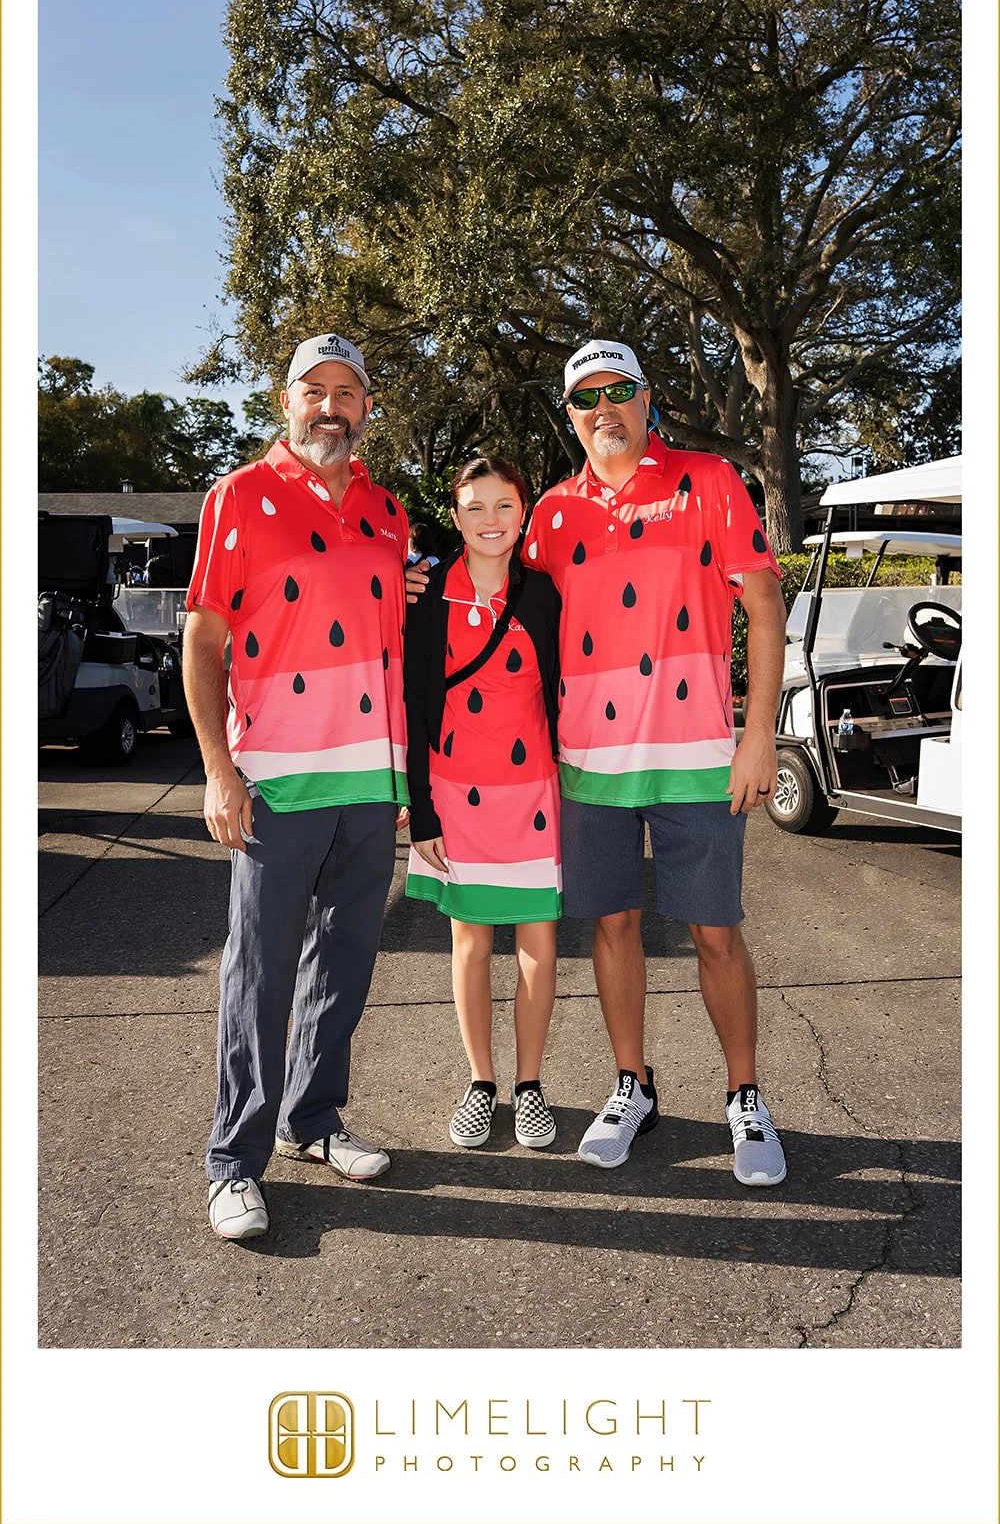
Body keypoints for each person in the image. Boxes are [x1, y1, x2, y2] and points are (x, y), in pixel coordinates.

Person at [407, 339, 788, 1186]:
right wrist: (419, 581)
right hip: (585, 766)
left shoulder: (709, 480)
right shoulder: (550, 511)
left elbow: (764, 602)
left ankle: (745, 1096)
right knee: (611, 926)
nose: (603, 407)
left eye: (619, 390)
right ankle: (632, 1084)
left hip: (699, 758)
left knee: (716, 934)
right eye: (585, 396)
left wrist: (758, 732)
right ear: (570, 414)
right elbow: (497, 583)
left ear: (648, 399)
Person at [183, 332, 410, 1241]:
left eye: (346, 392)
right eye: (314, 390)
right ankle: (233, 1163)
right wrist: (218, 771)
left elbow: (393, 639)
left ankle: (312, 1121)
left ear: (366, 408)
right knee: (260, 972)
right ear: (286, 403)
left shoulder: (389, 512)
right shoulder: (238, 496)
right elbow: (203, 641)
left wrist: (402, 775)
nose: (330, 407)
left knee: (343, 966)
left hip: (368, 783)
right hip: (275, 781)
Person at [404, 458, 562, 1150]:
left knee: (538, 947)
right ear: (456, 515)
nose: (490, 520)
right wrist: (421, 809)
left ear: (523, 512)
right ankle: (480, 1082)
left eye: (504, 505)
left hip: (533, 793)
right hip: (453, 790)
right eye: (475, 507)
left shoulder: (546, 592)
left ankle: (529, 1086)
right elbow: (414, 704)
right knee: (469, 945)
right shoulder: (426, 591)